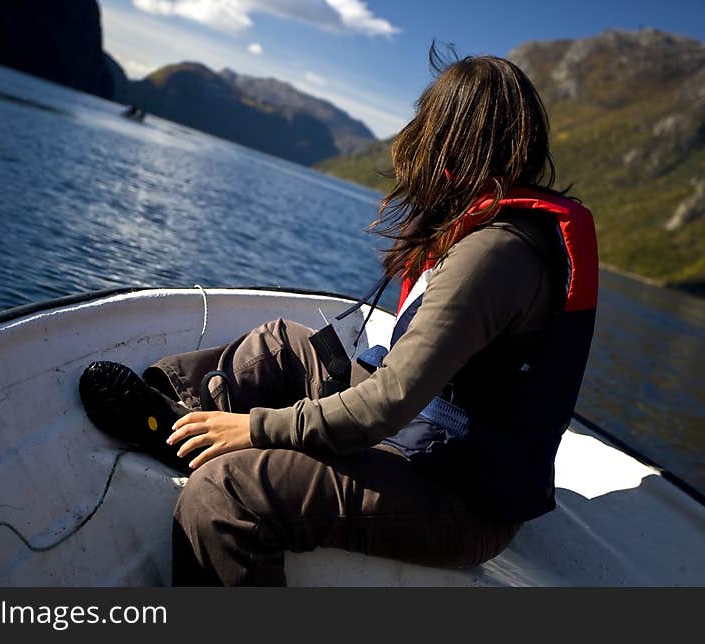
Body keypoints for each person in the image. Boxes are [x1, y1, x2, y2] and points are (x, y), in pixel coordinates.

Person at [78, 49, 598, 586]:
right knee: (283, 344)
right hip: (430, 440)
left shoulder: (495, 255)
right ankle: (177, 421)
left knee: (223, 495)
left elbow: (388, 403)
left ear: (449, 141)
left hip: (458, 497)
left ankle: (209, 440)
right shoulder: (498, 234)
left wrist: (255, 429)